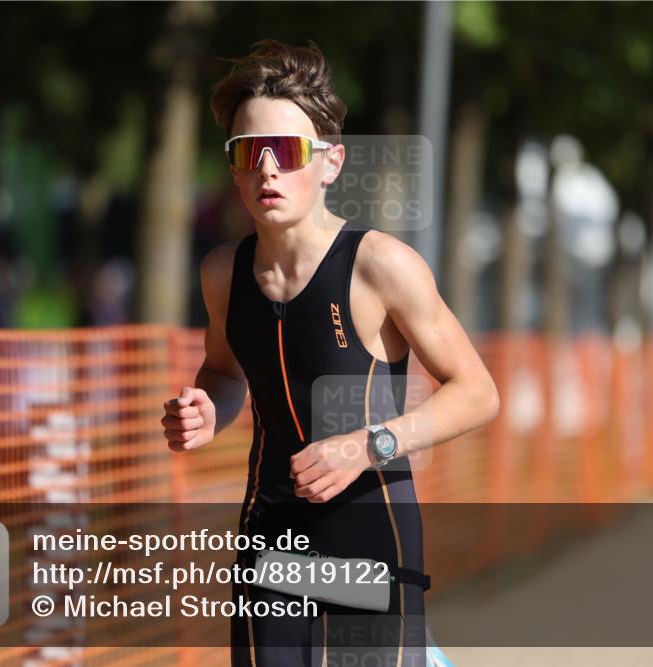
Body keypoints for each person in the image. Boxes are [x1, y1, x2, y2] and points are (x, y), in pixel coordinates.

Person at [162, 38, 500, 666]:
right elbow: (224, 369)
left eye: (286, 152)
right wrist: (210, 407)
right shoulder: (221, 275)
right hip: (271, 541)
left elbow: (478, 392)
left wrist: (369, 445)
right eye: (249, 151)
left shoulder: (380, 266)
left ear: (330, 163)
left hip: (370, 539)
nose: (267, 169)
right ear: (233, 167)